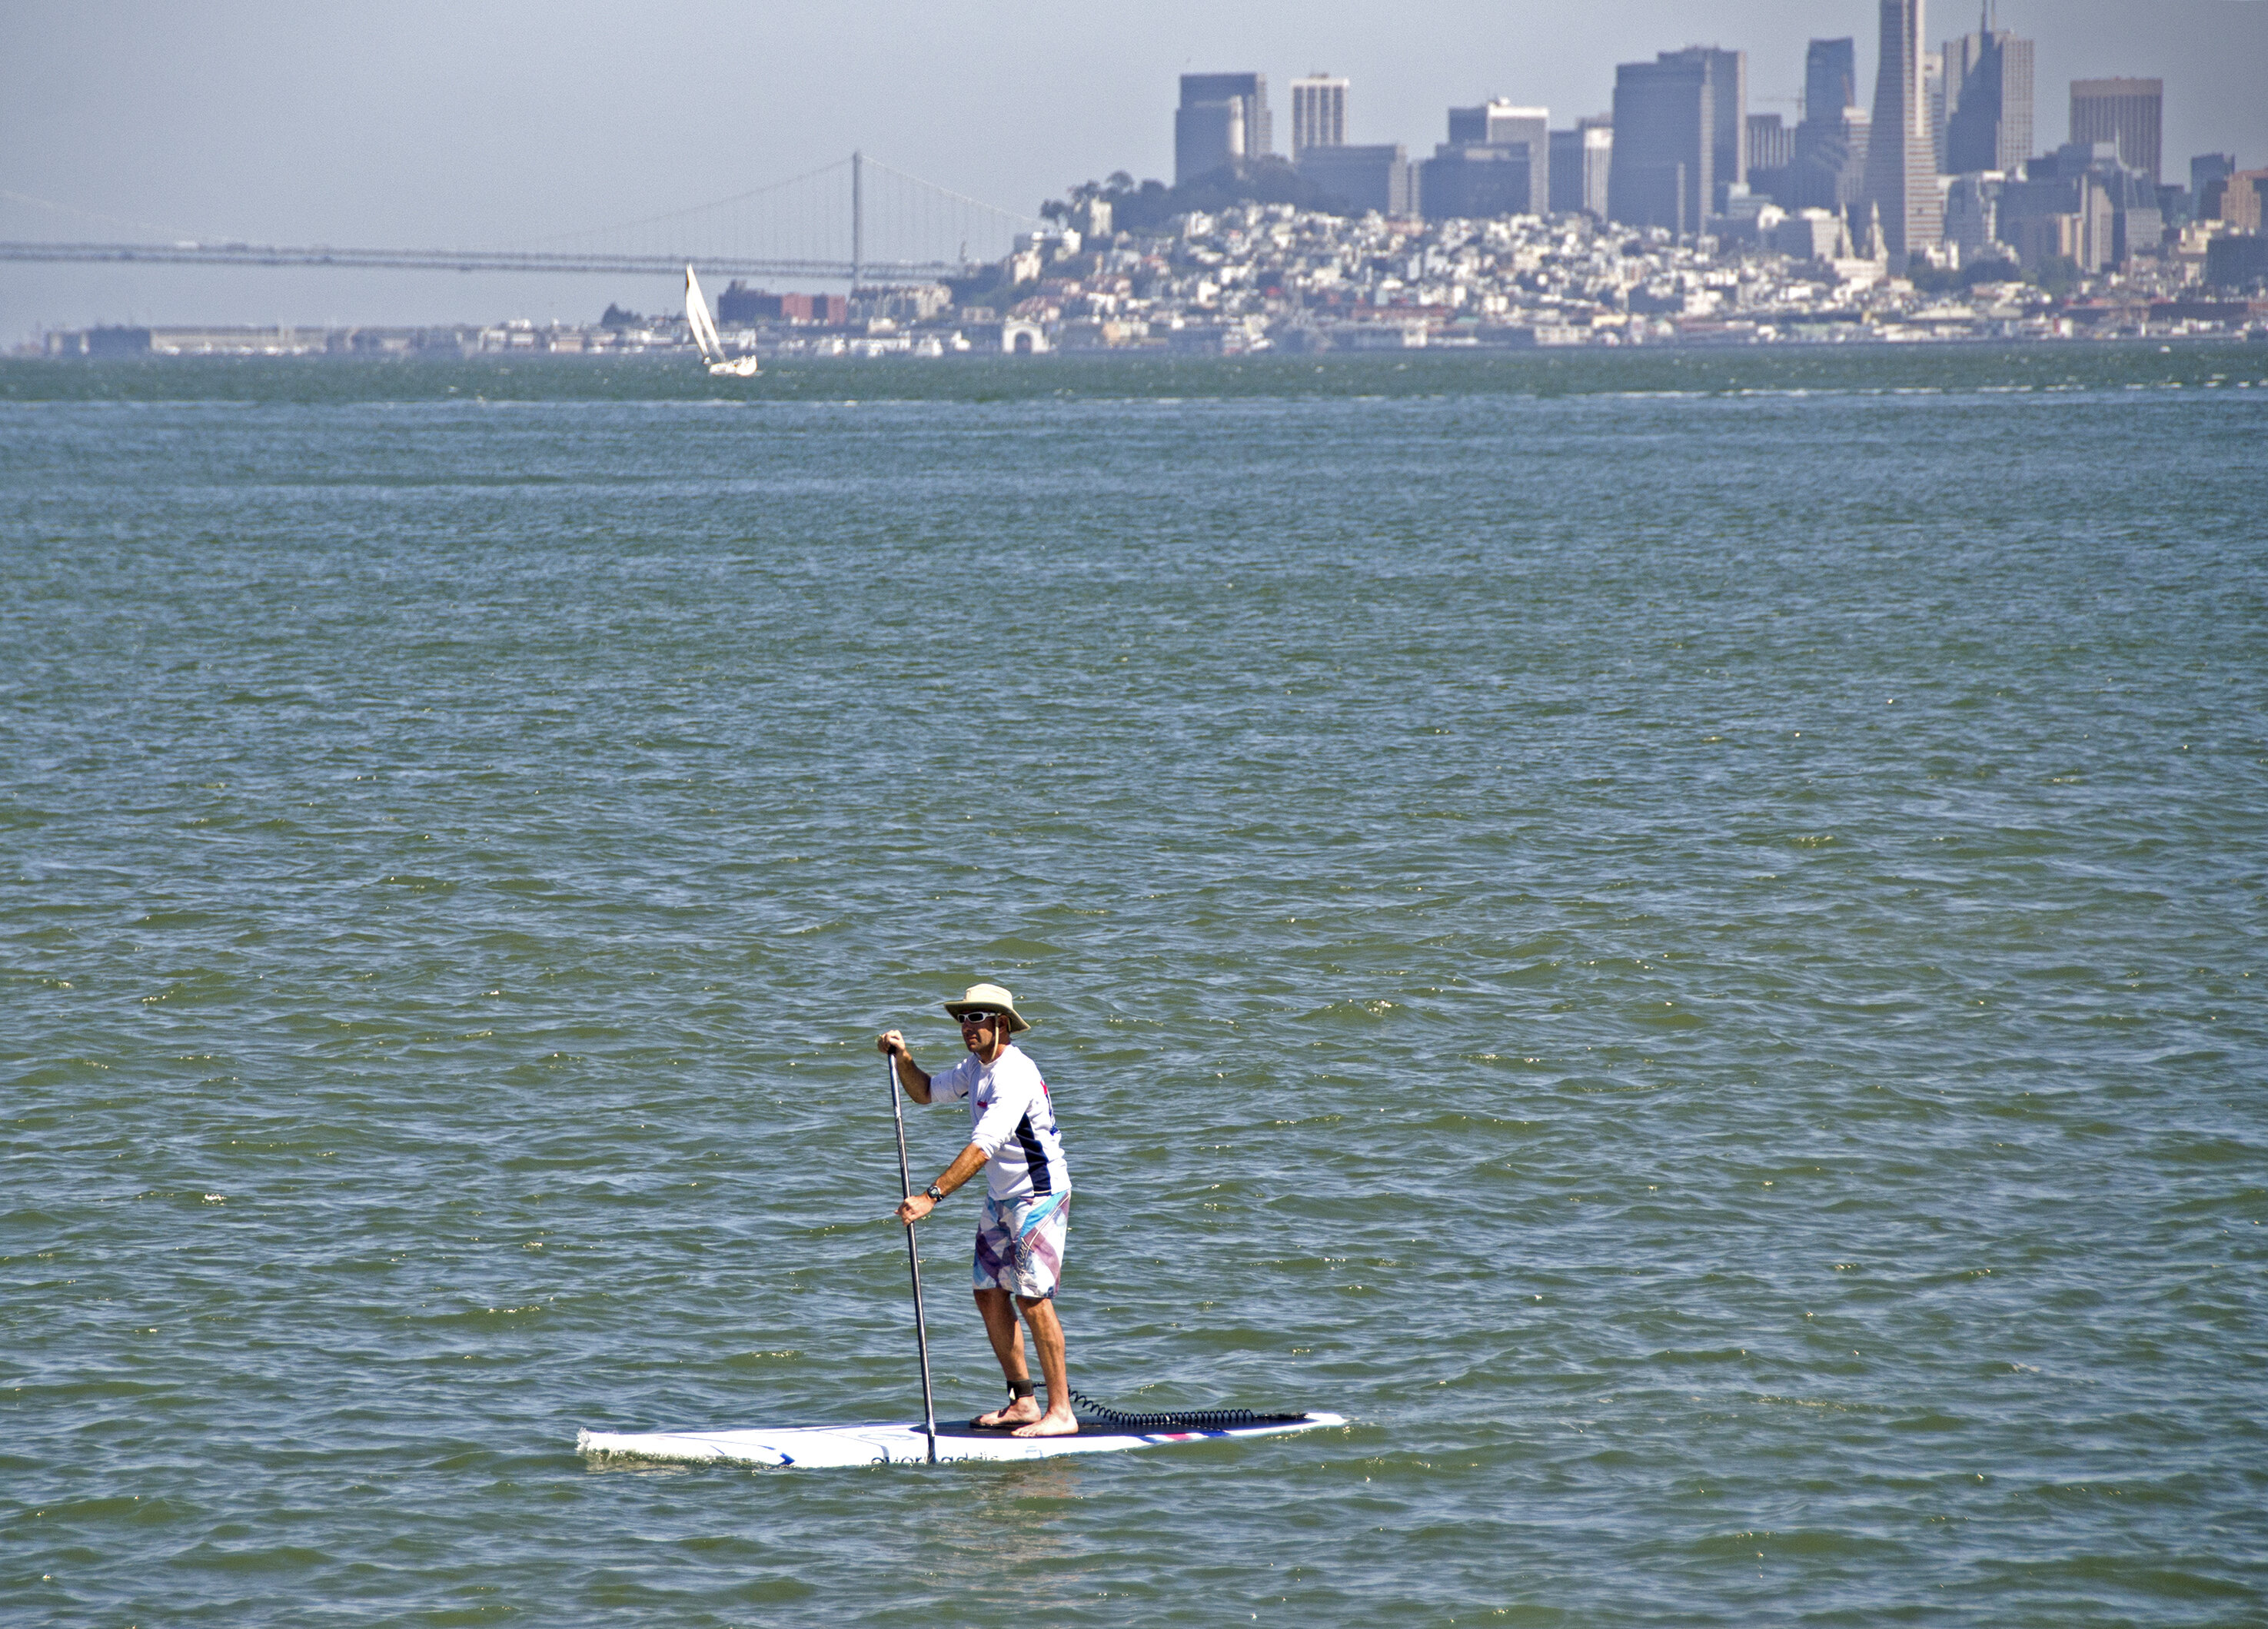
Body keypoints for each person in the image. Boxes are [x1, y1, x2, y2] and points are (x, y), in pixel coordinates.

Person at [879, 981, 1076, 1438]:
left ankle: (1061, 1411)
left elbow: (983, 1147)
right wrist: (903, 1058)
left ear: (1001, 1023)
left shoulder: (1015, 1074)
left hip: (1038, 1195)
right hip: (1001, 1196)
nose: (967, 1027)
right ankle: (1024, 1402)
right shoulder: (975, 1067)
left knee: (1032, 1299)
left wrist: (930, 1197)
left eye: (977, 1018)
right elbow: (926, 1092)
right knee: (987, 1293)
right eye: (963, 1019)